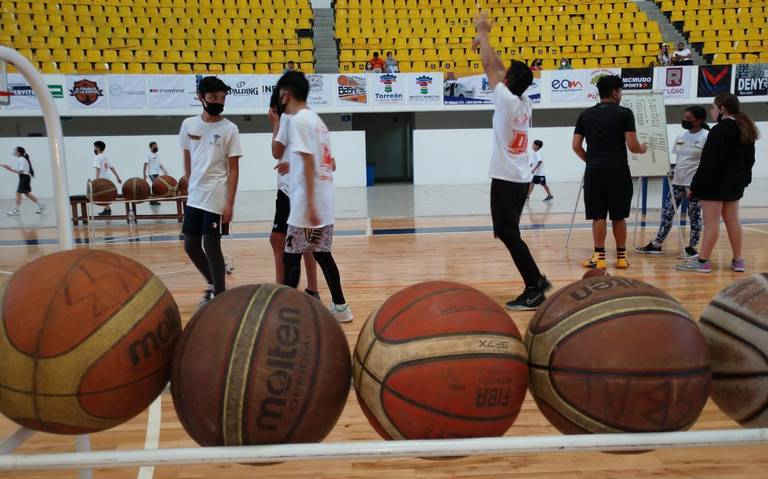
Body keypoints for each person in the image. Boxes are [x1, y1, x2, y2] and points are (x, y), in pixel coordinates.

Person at [472, 11, 551, 310]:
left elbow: (492, 67)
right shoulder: (524, 101)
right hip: (519, 178)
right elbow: (498, 69)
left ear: (508, 82)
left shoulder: (506, 101)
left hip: (507, 180)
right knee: (509, 233)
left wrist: (483, 33)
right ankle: (536, 281)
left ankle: (533, 287)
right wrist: (483, 40)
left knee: (507, 234)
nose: (502, 74)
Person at [276, 71, 353, 322]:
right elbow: (330, 163)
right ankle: (341, 308)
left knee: (291, 258)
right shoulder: (317, 121)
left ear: (285, 94)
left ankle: (286, 315)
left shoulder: (298, 121)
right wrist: (293, 165)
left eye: (279, 95)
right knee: (322, 255)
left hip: (307, 207)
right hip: (325, 204)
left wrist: (308, 204)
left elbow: (309, 161)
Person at [572, 75, 647, 270]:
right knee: (618, 215)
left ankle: (599, 257)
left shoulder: (585, 115)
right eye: (620, 91)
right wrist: (642, 148)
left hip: (595, 170)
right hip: (618, 169)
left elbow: (576, 146)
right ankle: (621, 258)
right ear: (615, 92)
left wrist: (592, 161)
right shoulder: (625, 113)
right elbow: (632, 145)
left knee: (598, 215)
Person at [179, 76, 242, 306]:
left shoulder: (230, 129)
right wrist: (189, 180)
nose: (218, 101)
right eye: (213, 97)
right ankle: (214, 284)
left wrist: (230, 202)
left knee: (211, 245)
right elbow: (187, 157)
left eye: (222, 98)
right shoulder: (188, 125)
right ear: (200, 97)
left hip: (216, 195)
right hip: (195, 195)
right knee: (190, 245)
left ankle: (221, 298)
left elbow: (234, 169)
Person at [677, 93, 757, 273]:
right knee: (733, 221)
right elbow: (749, 159)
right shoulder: (745, 127)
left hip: (714, 185)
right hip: (734, 184)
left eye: (713, 108)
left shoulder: (719, 130)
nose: (712, 111)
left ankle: (703, 261)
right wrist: (744, 180)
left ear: (722, 109)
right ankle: (738, 260)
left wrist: (695, 186)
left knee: (710, 223)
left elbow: (709, 163)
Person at [268, 86, 321, 300]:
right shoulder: (310, 119)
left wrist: (274, 124)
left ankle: (284, 291)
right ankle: (312, 290)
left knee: (281, 240)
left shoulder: (287, 119)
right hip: (301, 187)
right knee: (301, 242)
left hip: (290, 190)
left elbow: (275, 151)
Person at [637, 106, 709, 258]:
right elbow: (679, 158)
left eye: (689, 119)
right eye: (685, 118)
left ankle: (691, 248)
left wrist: (699, 185)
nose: (685, 121)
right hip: (677, 182)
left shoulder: (706, 136)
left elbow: (708, 163)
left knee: (694, 215)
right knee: (667, 212)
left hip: (694, 184)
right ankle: (656, 244)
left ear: (700, 120)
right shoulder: (681, 135)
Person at [1, 146, 46, 216]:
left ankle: (16, 210)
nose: (14, 152)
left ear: (19, 152)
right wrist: (6, 167)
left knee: (18, 193)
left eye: (15, 150)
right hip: (25, 177)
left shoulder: (21, 159)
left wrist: (9, 169)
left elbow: (21, 171)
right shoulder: (22, 159)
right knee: (27, 193)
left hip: (24, 177)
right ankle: (41, 205)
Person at [92, 140, 122, 216]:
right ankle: (107, 209)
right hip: (107, 179)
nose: (94, 149)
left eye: (95, 147)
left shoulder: (97, 157)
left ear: (98, 148)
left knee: (103, 196)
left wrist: (96, 180)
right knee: (105, 195)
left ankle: (107, 209)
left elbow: (98, 169)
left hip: (102, 180)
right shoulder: (104, 157)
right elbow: (112, 168)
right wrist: (117, 177)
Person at [144, 141, 168, 206]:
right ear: (151, 147)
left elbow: (159, 164)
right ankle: (152, 201)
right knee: (155, 186)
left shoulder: (157, 155)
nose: (156, 147)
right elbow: (145, 164)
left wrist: (164, 171)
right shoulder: (149, 155)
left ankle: (155, 200)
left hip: (157, 173)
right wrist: (144, 175)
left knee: (156, 187)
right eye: (155, 146)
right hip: (151, 173)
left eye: (157, 146)